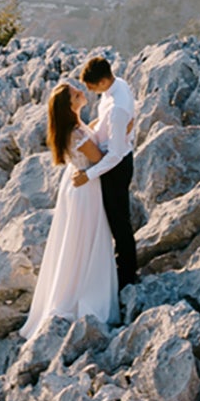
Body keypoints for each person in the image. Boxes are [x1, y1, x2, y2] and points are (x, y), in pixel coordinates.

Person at [19, 82, 119, 336]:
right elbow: (98, 157)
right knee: (88, 241)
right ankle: (84, 296)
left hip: (76, 187)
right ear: (70, 106)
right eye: (76, 94)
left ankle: (74, 288)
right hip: (87, 189)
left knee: (75, 242)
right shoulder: (76, 133)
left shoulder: (72, 128)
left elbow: (90, 131)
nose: (81, 93)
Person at [73, 56, 138, 291]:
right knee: (115, 218)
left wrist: (88, 176)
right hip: (111, 157)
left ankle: (127, 276)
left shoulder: (118, 108)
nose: (89, 92)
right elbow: (118, 117)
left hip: (116, 167)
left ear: (102, 82)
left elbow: (115, 155)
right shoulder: (118, 84)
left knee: (119, 221)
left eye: (91, 87)